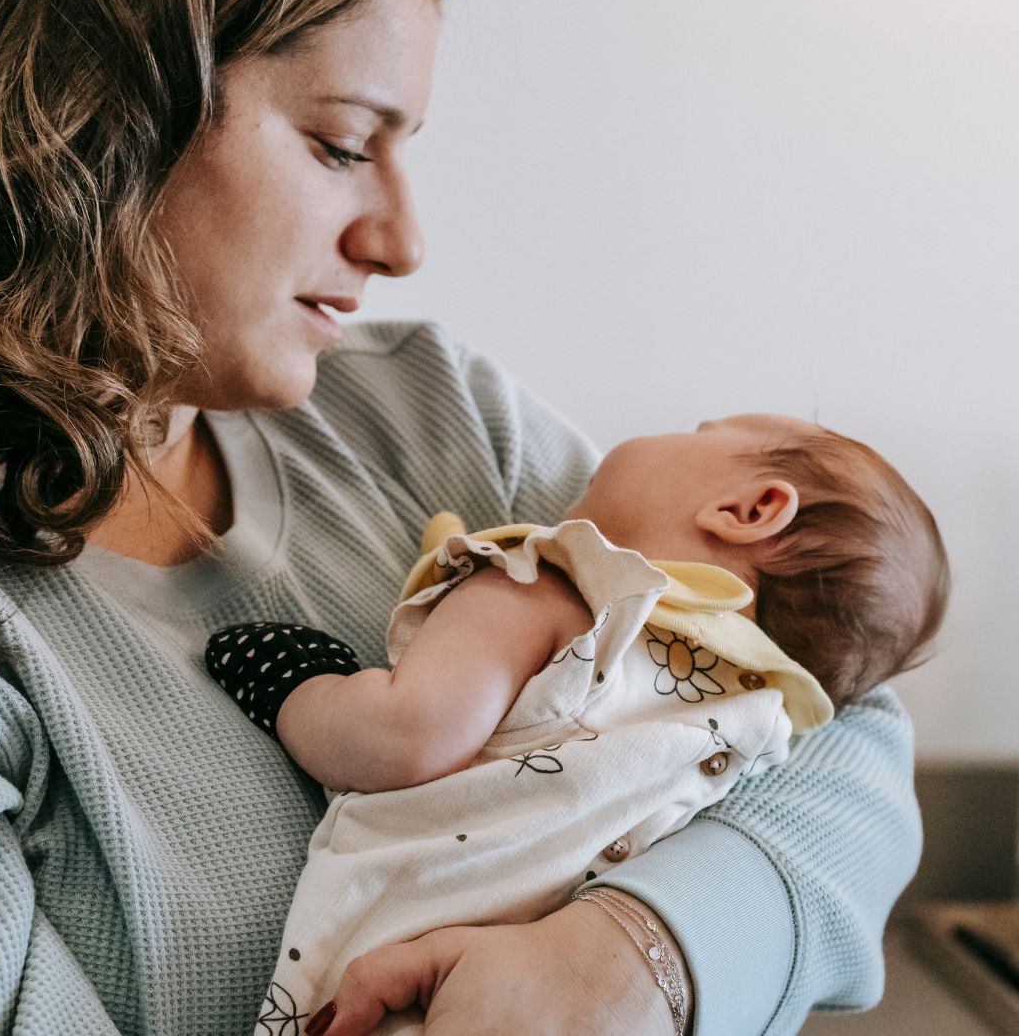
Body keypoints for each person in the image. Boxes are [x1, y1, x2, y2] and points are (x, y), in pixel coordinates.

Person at [0, 0, 923, 1035]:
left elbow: (833, 716)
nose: (401, 244)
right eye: (343, 145)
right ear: (85, 116)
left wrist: (637, 960)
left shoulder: (427, 407)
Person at [205, 413, 948, 1033]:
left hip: (392, 984)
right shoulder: (763, 712)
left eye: (700, 429)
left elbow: (405, 735)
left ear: (750, 509)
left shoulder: (562, 584)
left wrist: (297, 680)